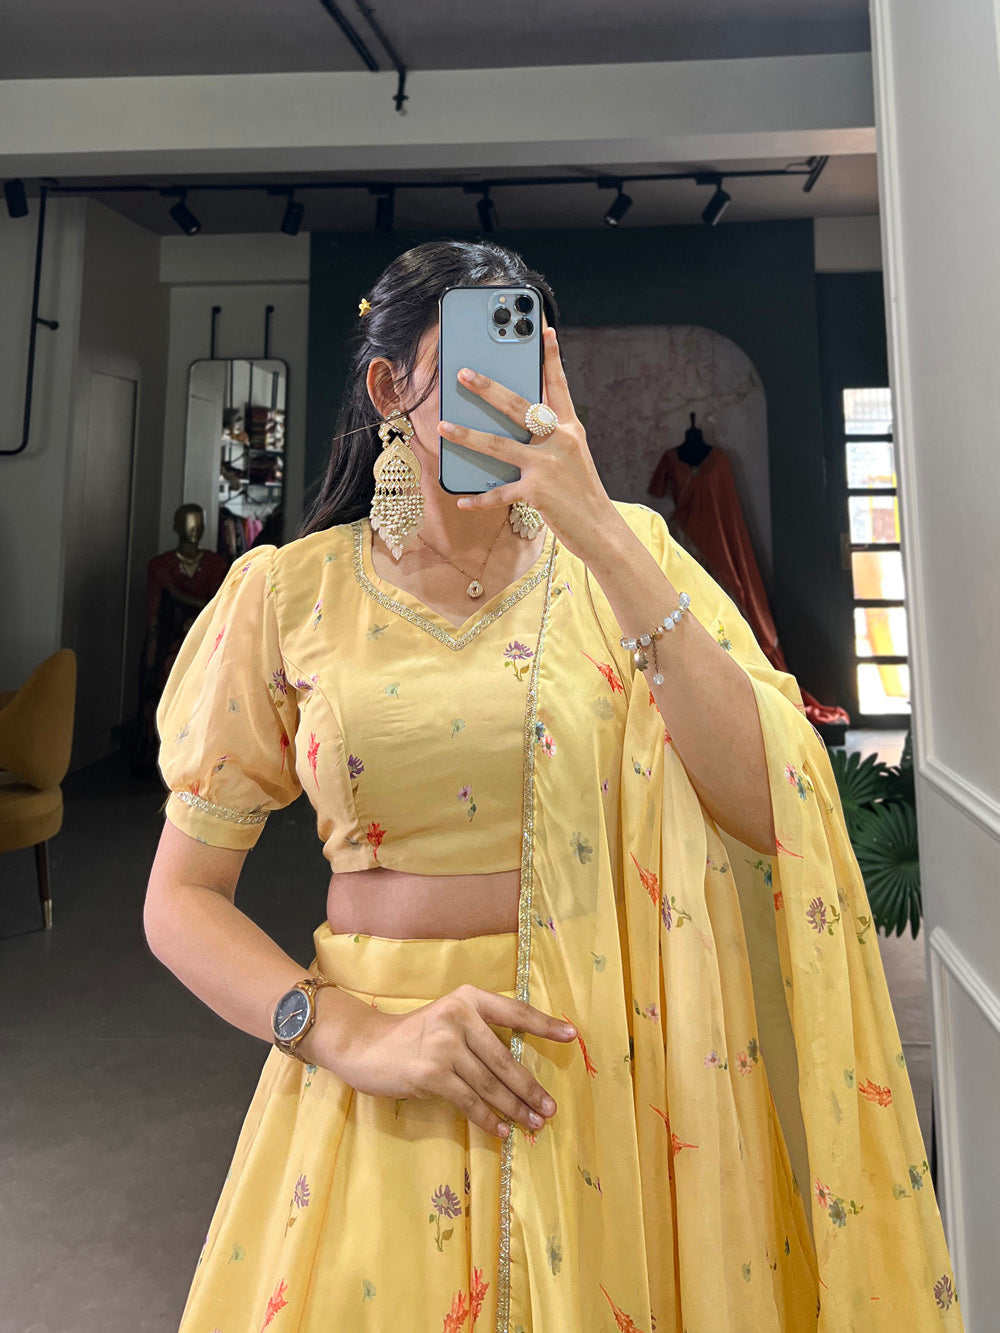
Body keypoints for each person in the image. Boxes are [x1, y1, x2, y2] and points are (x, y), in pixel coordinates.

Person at [145, 240, 962, 1332]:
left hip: (605, 1065)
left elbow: (770, 803)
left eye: (528, 358)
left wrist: (602, 534)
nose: (507, 389)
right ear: (388, 388)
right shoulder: (288, 595)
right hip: (386, 1077)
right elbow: (180, 898)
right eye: (474, 358)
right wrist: (345, 1033)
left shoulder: (629, 556)